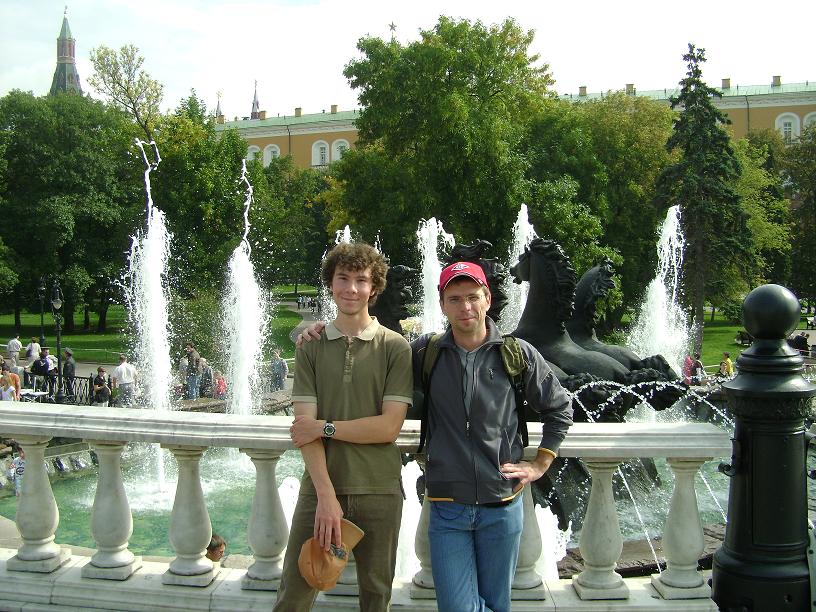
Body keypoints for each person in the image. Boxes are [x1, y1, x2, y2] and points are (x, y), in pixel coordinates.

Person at [298, 260, 574, 612]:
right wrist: (320, 333)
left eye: (472, 297)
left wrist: (541, 463)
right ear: (442, 304)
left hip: (502, 505)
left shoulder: (517, 354)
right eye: (454, 299)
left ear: (487, 299)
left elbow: (559, 408)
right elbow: (372, 355)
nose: (465, 307)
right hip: (447, 507)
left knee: (497, 604)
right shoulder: (425, 353)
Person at [275, 242, 413, 612]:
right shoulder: (310, 345)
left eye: (361, 280)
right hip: (320, 488)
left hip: (380, 490)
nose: (351, 288)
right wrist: (325, 497)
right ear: (331, 283)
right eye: (343, 278)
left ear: (374, 287)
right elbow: (303, 428)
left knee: (376, 597)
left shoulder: (395, 347)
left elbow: (388, 427)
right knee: (293, 596)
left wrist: (325, 428)